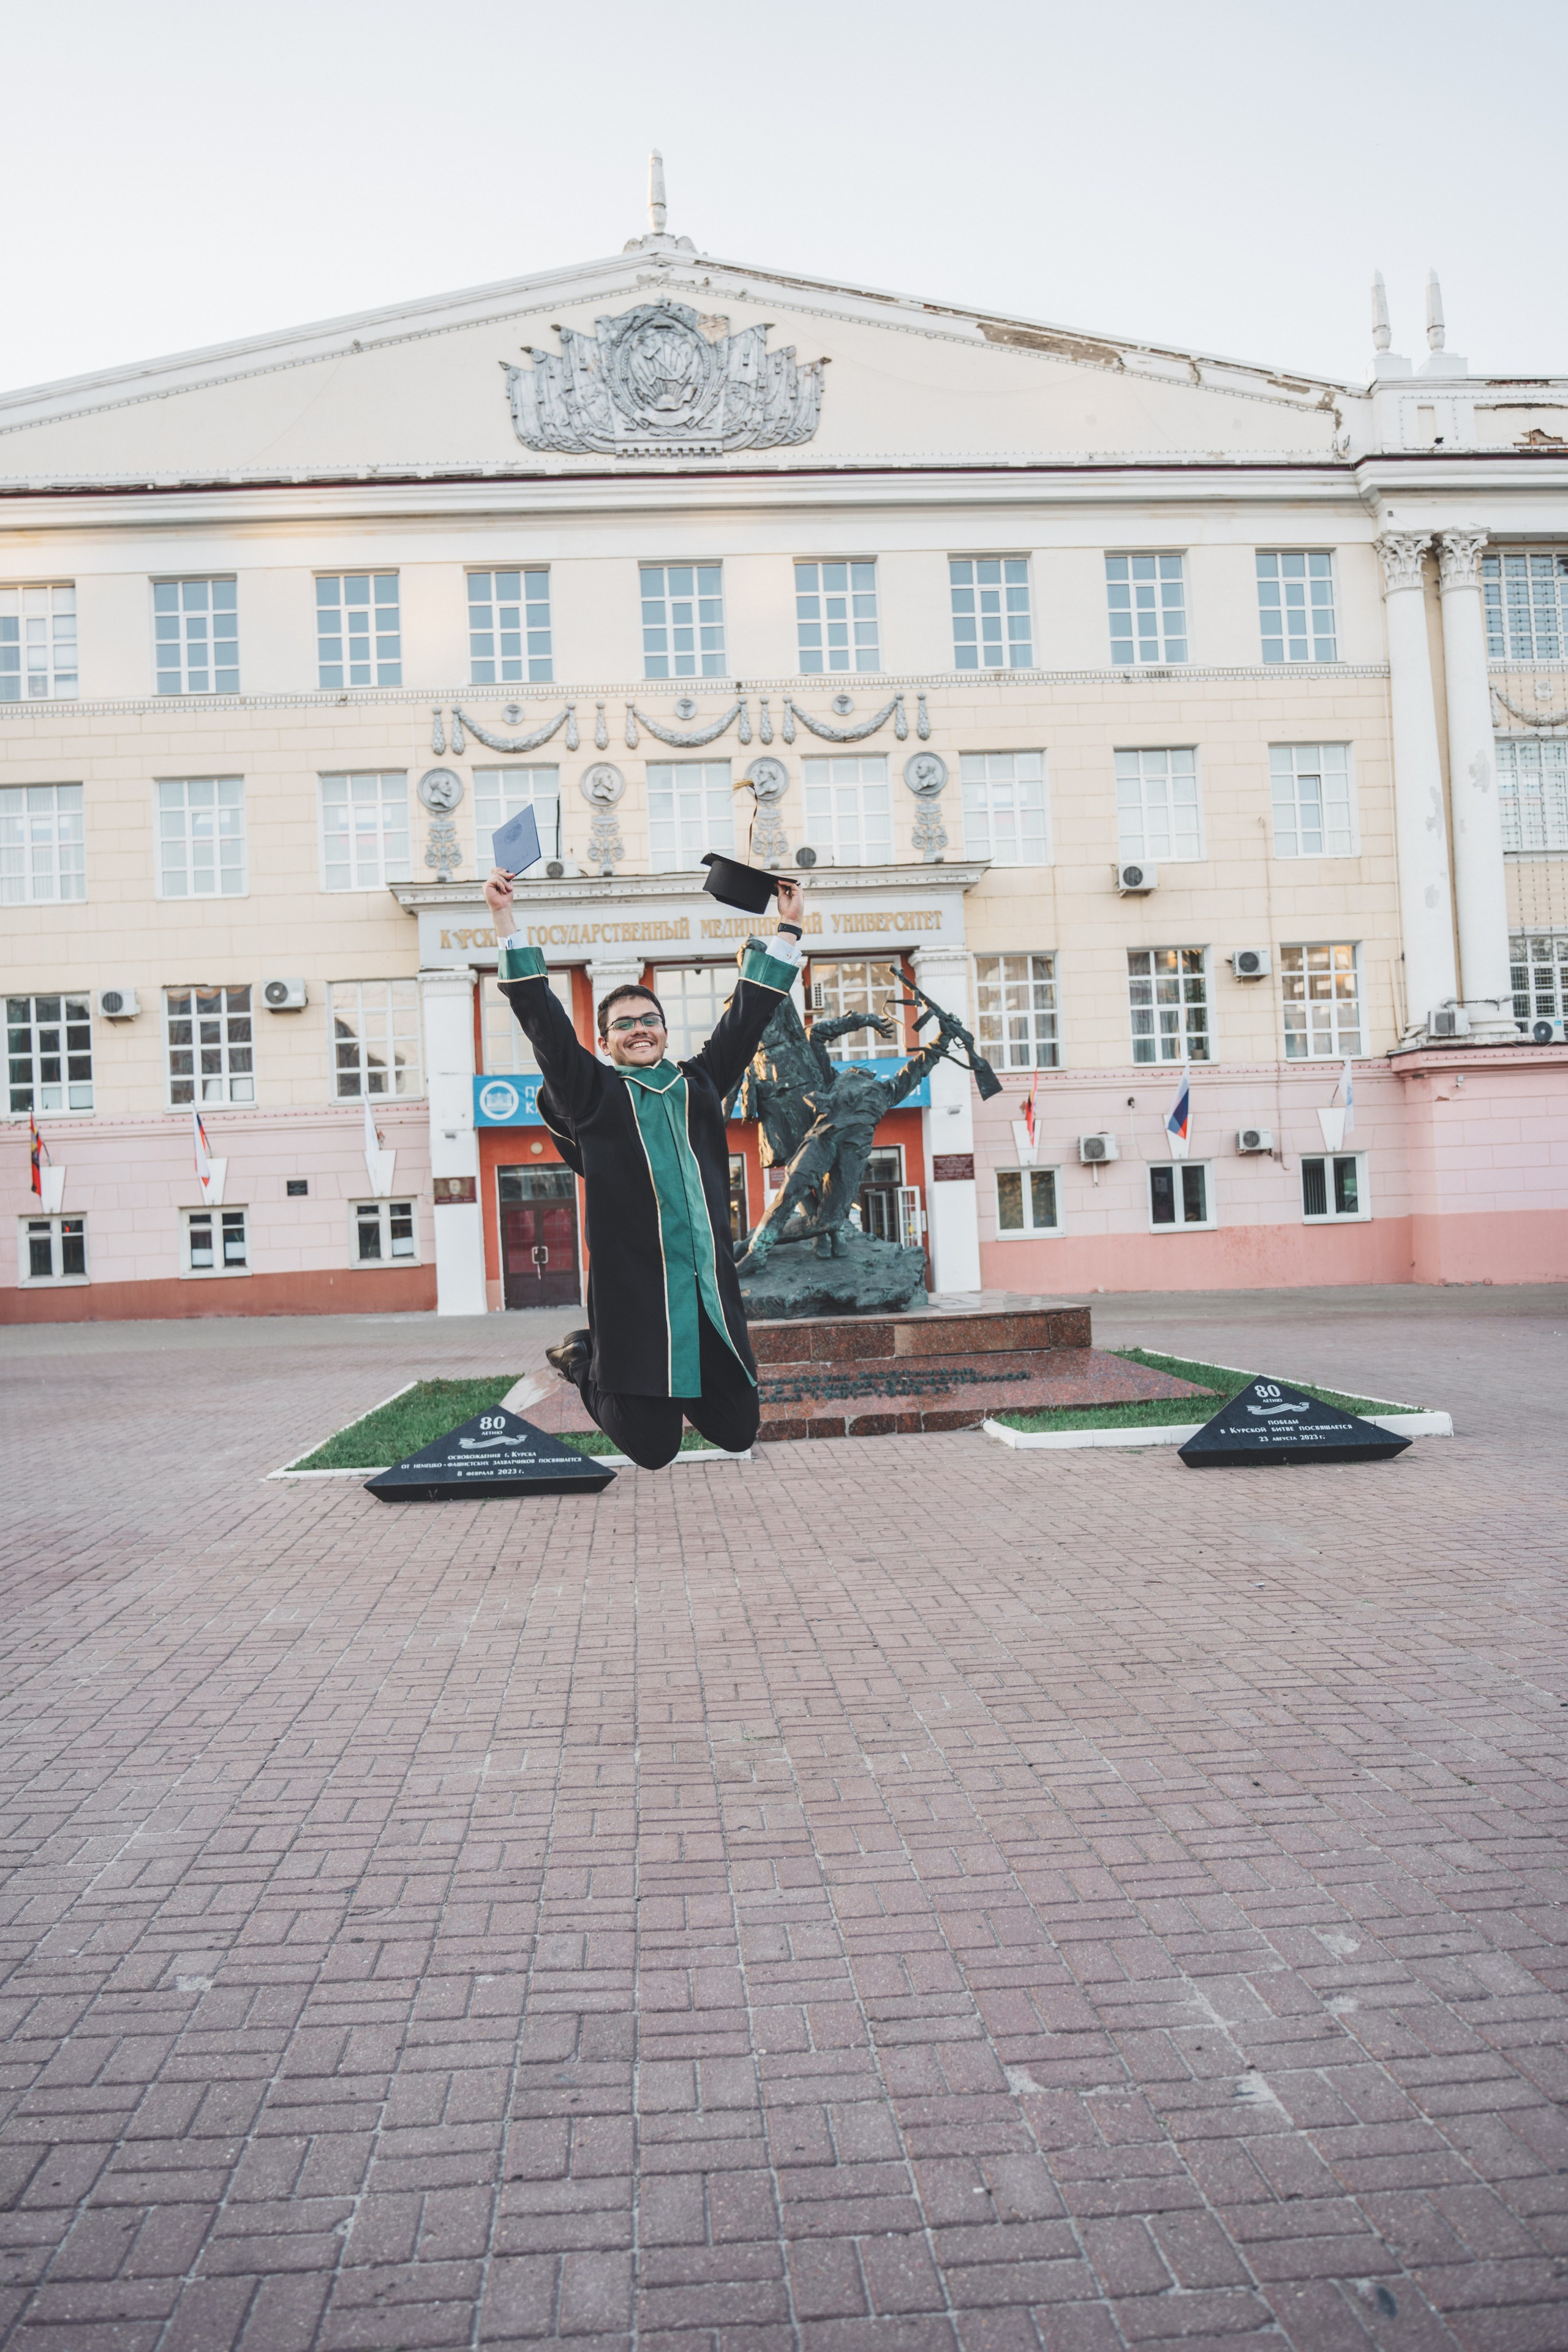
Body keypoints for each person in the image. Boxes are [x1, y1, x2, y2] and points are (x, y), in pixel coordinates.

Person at [484, 864, 806, 1469]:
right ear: (606, 1042)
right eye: (623, 1024)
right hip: (636, 1295)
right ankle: (584, 1360)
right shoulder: (596, 1096)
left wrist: (786, 929)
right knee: (653, 1451)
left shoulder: (701, 1083)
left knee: (737, 1431)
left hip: (707, 1291)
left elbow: (748, 1015)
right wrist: (505, 919)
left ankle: (676, 1383)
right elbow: (545, 1025)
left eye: (648, 1019)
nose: (638, 1029)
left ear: (664, 1029)